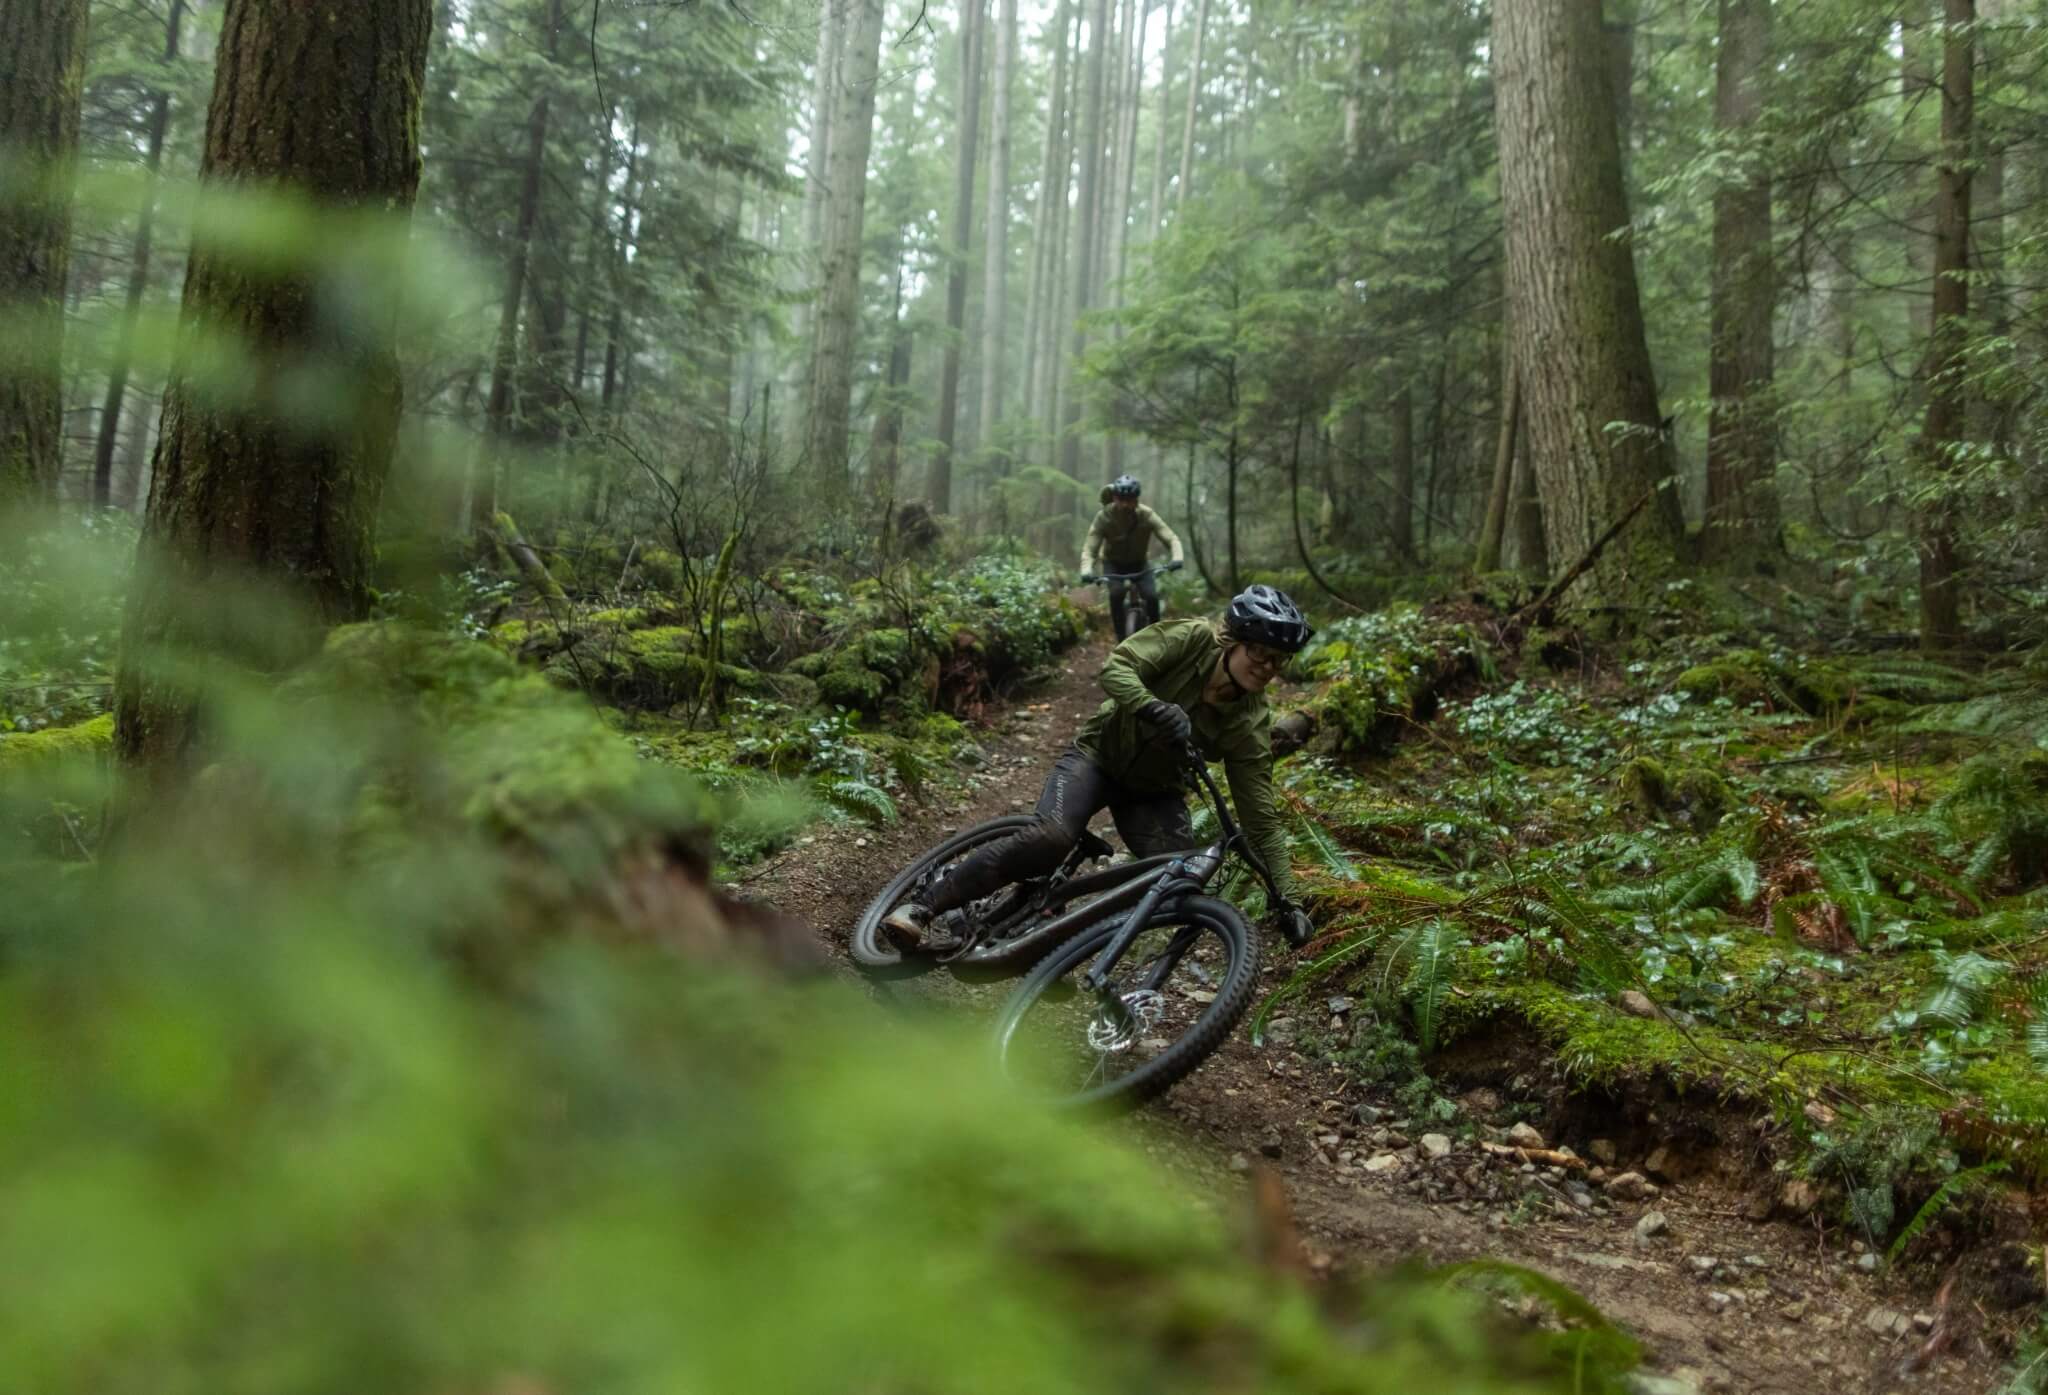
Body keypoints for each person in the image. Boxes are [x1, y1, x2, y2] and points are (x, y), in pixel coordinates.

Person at [883, 584, 1317, 953]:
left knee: (1179, 881)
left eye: (1278, 660)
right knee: (1051, 837)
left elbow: (1260, 817)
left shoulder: (1250, 722)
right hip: (1097, 756)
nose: (1266, 667)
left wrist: (1289, 901)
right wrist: (1152, 706)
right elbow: (1118, 667)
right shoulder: (1192, 639)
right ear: (1234, 640)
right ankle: (927, 903)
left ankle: (1058, 949)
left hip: (1154, 793)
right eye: (1260, 651)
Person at [1080, 475, 1185, 636]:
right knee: (1116, 595)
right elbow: (1090, 548)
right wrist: (1086, 569)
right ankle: (1121, 640)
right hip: (1113, 564)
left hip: (1139, 563)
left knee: (1151, 597)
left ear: (1136, 500)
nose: (1125, 504)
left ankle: (1158, 637)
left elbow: (1170, 537)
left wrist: (1177, 558)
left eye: (1130, 499)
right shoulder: (1104, 517)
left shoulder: (1146, 515)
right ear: (1114, 498)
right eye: (1121, 499)